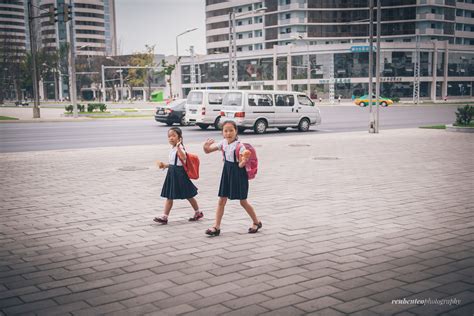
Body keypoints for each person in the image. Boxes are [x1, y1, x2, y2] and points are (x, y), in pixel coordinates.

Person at [202, 121, 262, 236]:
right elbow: (208, 151)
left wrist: (244, 160)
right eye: (225, 131)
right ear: (222, 132)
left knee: (243, 201)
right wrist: (205, 147)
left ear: (236, 131)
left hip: (238, 173)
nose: (228, 133)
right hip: (227, 172)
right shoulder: (223, 143)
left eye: (231, 130)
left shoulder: (240, 146)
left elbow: (240, 165)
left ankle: (256, 222)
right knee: (222, 200)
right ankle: (216, 227)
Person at [154, 127, 203, 224]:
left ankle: (198, 212)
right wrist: (165, 165)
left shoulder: (179, 148)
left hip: (180, 175)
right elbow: (174, 163)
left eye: (173, 136)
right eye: (169, 136)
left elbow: (184, 157)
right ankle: (165, 217)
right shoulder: (172, 148)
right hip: (172, 173)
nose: (171, 138)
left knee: (189, 195)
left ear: (179, 137)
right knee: (170, 196)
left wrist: (178, 147)